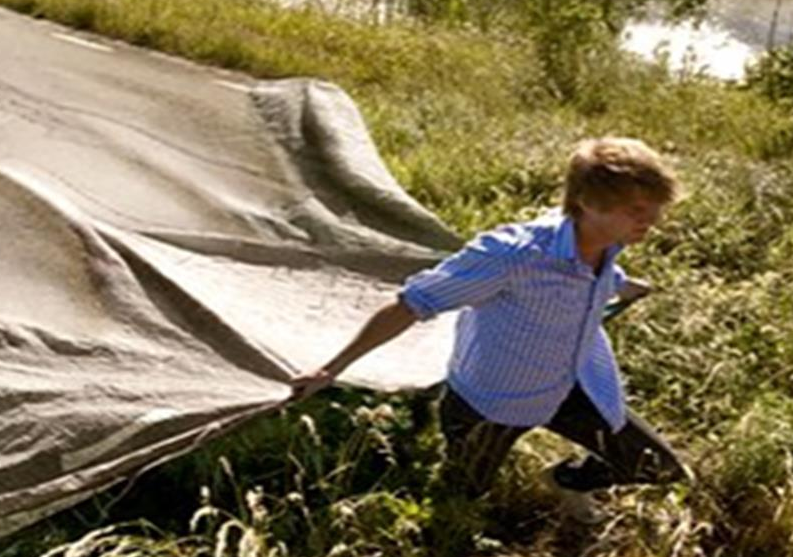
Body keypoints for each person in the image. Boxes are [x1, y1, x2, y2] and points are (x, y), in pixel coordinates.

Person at [288, 137, 690, 524]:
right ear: (587, 202)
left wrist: (620, 283)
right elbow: (410, 304)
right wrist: (332, 368)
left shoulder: (605, 241)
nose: (651, 220)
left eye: (654, 207)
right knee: (460, 503)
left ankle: (566, 480)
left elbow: (590, 271)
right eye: (637, 209)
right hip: (490, 403)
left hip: (570, 385)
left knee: (659, 468)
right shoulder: (511, 255)